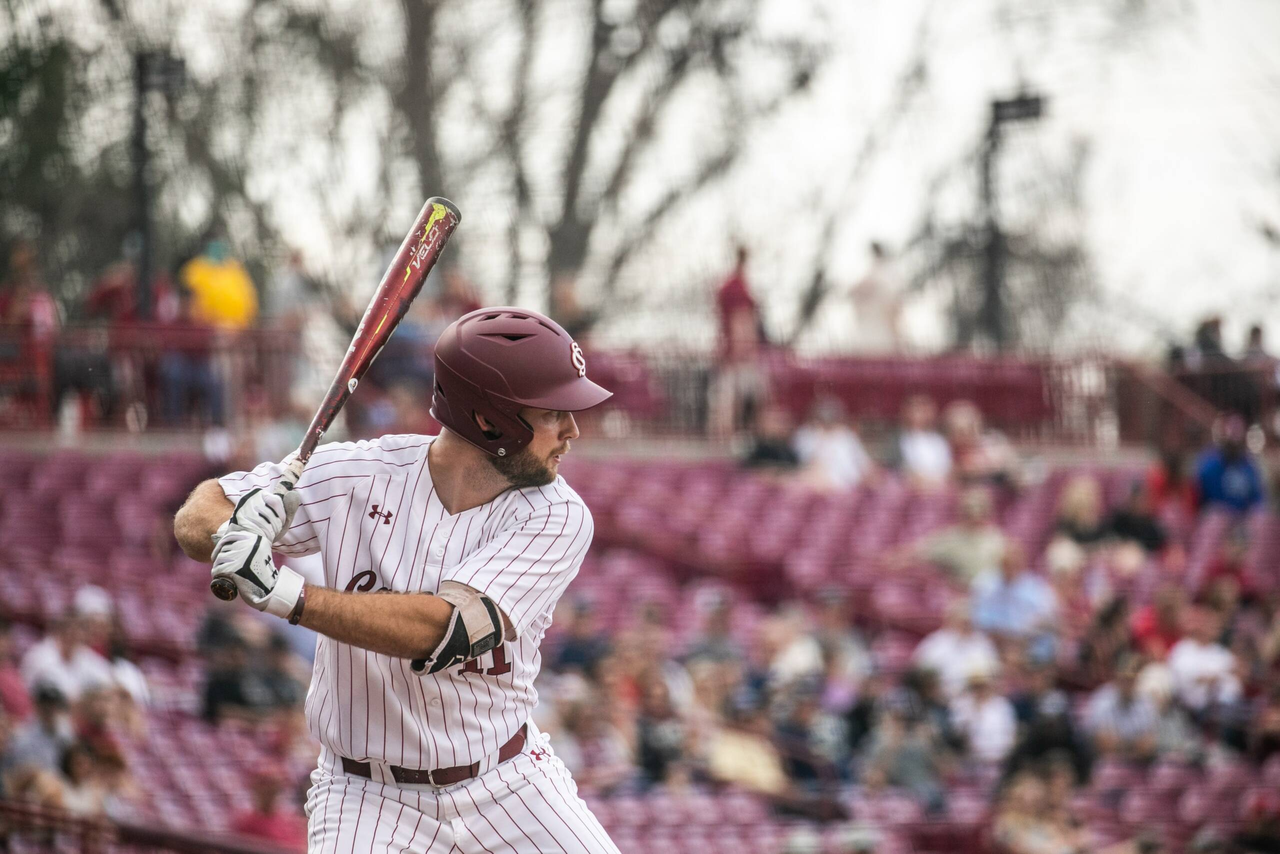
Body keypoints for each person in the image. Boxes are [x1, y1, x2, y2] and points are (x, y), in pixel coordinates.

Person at [174, 306, 620, 852]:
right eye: (554, 413)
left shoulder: (557, 514)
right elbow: (196, 515)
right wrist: (236, 529)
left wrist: (285, 594)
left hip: (508, 779)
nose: (572, 431)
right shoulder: (362, 473)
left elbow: (443, 630)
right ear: (489, 421)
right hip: (367, 796)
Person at [902, 486, 1007, 584]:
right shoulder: (949, 539)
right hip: (959, 594)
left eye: (980, 508)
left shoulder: (997, 539)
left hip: (990, 597)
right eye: (969, 509)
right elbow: (917, 554)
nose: (974, 513)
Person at [912, 599, 999, 700]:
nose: (965, 626)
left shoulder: (982, 644)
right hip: (941, 702)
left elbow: (994, 675)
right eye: (962, 621)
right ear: (951, 620)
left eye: (968, 622)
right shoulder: (936, 643)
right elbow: (920, 673)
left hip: (976, 700)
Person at [20, 613, 115, 703]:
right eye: (71, 630)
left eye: (81, 630)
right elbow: (46, 695)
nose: (75, 635)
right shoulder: (41, 657)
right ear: (61, 631)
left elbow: (108, 680)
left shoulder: (82, 654)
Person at [1083, 654, 1158, 761]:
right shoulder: (1101, 700)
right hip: (1106, 764)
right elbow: (1103, 745)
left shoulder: (1145, 702)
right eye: (1124, 679)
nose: (1127, 684)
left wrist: (1120, 744)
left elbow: (1148, 746)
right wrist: (1134, 745)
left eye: (1131, 679)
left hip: (1139, 765)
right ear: (1116, 676)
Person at [792, 397, 875, 492]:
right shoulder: (805, 435)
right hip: (819, 486)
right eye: (823, 417)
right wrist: (823, 436)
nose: (827, 420)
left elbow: (864, 464)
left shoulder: (846, 435)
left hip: (850, 487)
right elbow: (805, 464)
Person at [177, 234, 259, 330]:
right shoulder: (196, 268)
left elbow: (249, 301)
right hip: (206, 330)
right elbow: (187, 300)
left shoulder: (235, 269)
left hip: (237, 329)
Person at [1195, 415, 1264, 513]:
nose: (1235, 433)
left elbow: (1257, 496)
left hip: (1244, 515)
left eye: (1238, 428)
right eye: (1232, 428)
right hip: (1216, 514)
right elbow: (1204, 494)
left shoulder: (1249, 465)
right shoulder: (1210, 462)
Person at [230, 767, 307, 850]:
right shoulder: (245, 824)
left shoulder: (290, 822)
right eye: (264, 786)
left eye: (273, 787)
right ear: (256, 789)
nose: (268, 791)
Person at [949, 670, 1016, 764]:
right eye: (976, 687)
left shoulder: (1003, 705)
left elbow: (1010, 734)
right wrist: (974, 711)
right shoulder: (962, 706)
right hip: (973, 760)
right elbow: (959, 736)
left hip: (1000, 759)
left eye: (983, 686)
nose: (980, 690)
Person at [894, 395, 952, 487]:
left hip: (940, 485)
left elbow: (947, 468)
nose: (919, 415)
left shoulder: (939, 440)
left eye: (924, 410)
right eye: (915, 410)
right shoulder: (899, 439)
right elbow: (901, 470)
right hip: (912, 488)